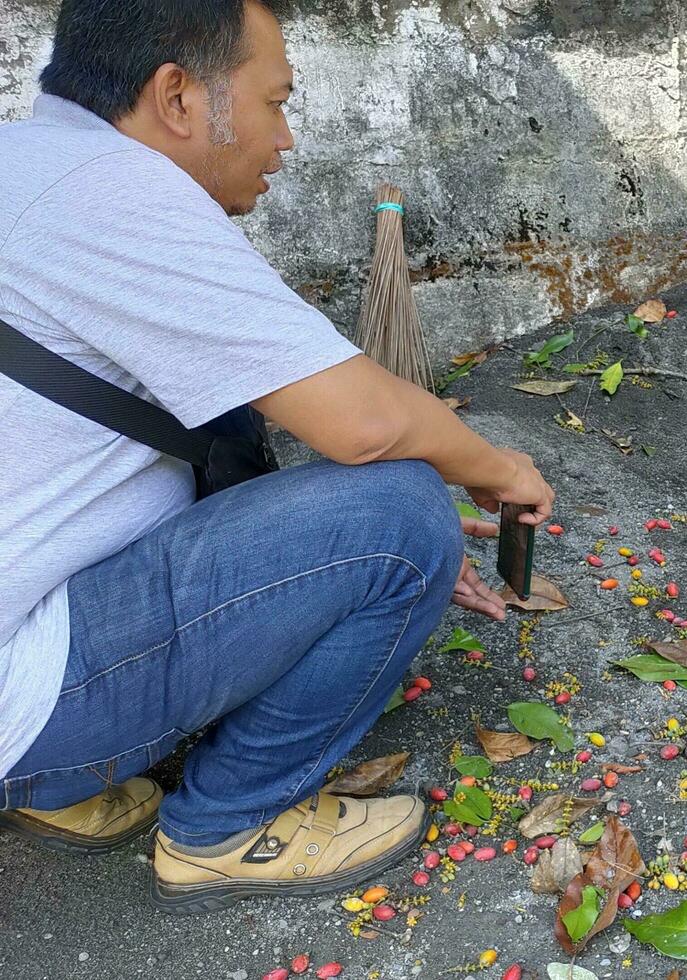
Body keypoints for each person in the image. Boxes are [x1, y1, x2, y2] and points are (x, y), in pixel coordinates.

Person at [0, 0, 555, 913]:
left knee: (355, 513)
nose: (286, 138)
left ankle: (54, 784)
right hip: (28, 703)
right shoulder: (116, 190)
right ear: (178, 96)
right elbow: (363, 422)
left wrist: (310, 558)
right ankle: (225, 827)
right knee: (405, 514)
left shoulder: (26, 164)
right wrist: (498, 471)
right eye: (275, 100)